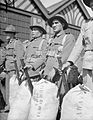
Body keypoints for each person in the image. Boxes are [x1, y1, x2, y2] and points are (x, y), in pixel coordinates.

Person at [62, 0, 93, 91]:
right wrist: (69, 62)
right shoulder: (86, 24)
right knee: (88, 92)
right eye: (91, 5)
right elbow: (79, 45)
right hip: (88, 62)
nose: (92, 7)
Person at [42, 14, 75, 82]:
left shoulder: (68, 37)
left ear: (62, 24)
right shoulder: (51, 39)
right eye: (53, 24)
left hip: (59, 74)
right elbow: (45, 56)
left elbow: (64, 56)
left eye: (56, 23)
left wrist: (54, 70)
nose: (53, 25)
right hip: (46, 73)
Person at [1, 25, 24, 112]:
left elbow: (19, 57)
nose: (6, 34)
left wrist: (17, 71)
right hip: (7, 69)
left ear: (13, 34)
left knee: (13, 89)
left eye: (9, 33)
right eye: (6, 32)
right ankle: (8, 106)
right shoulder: (8, 43)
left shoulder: (17, 43)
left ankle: (13, 107)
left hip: (14, 70)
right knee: (7, 89)